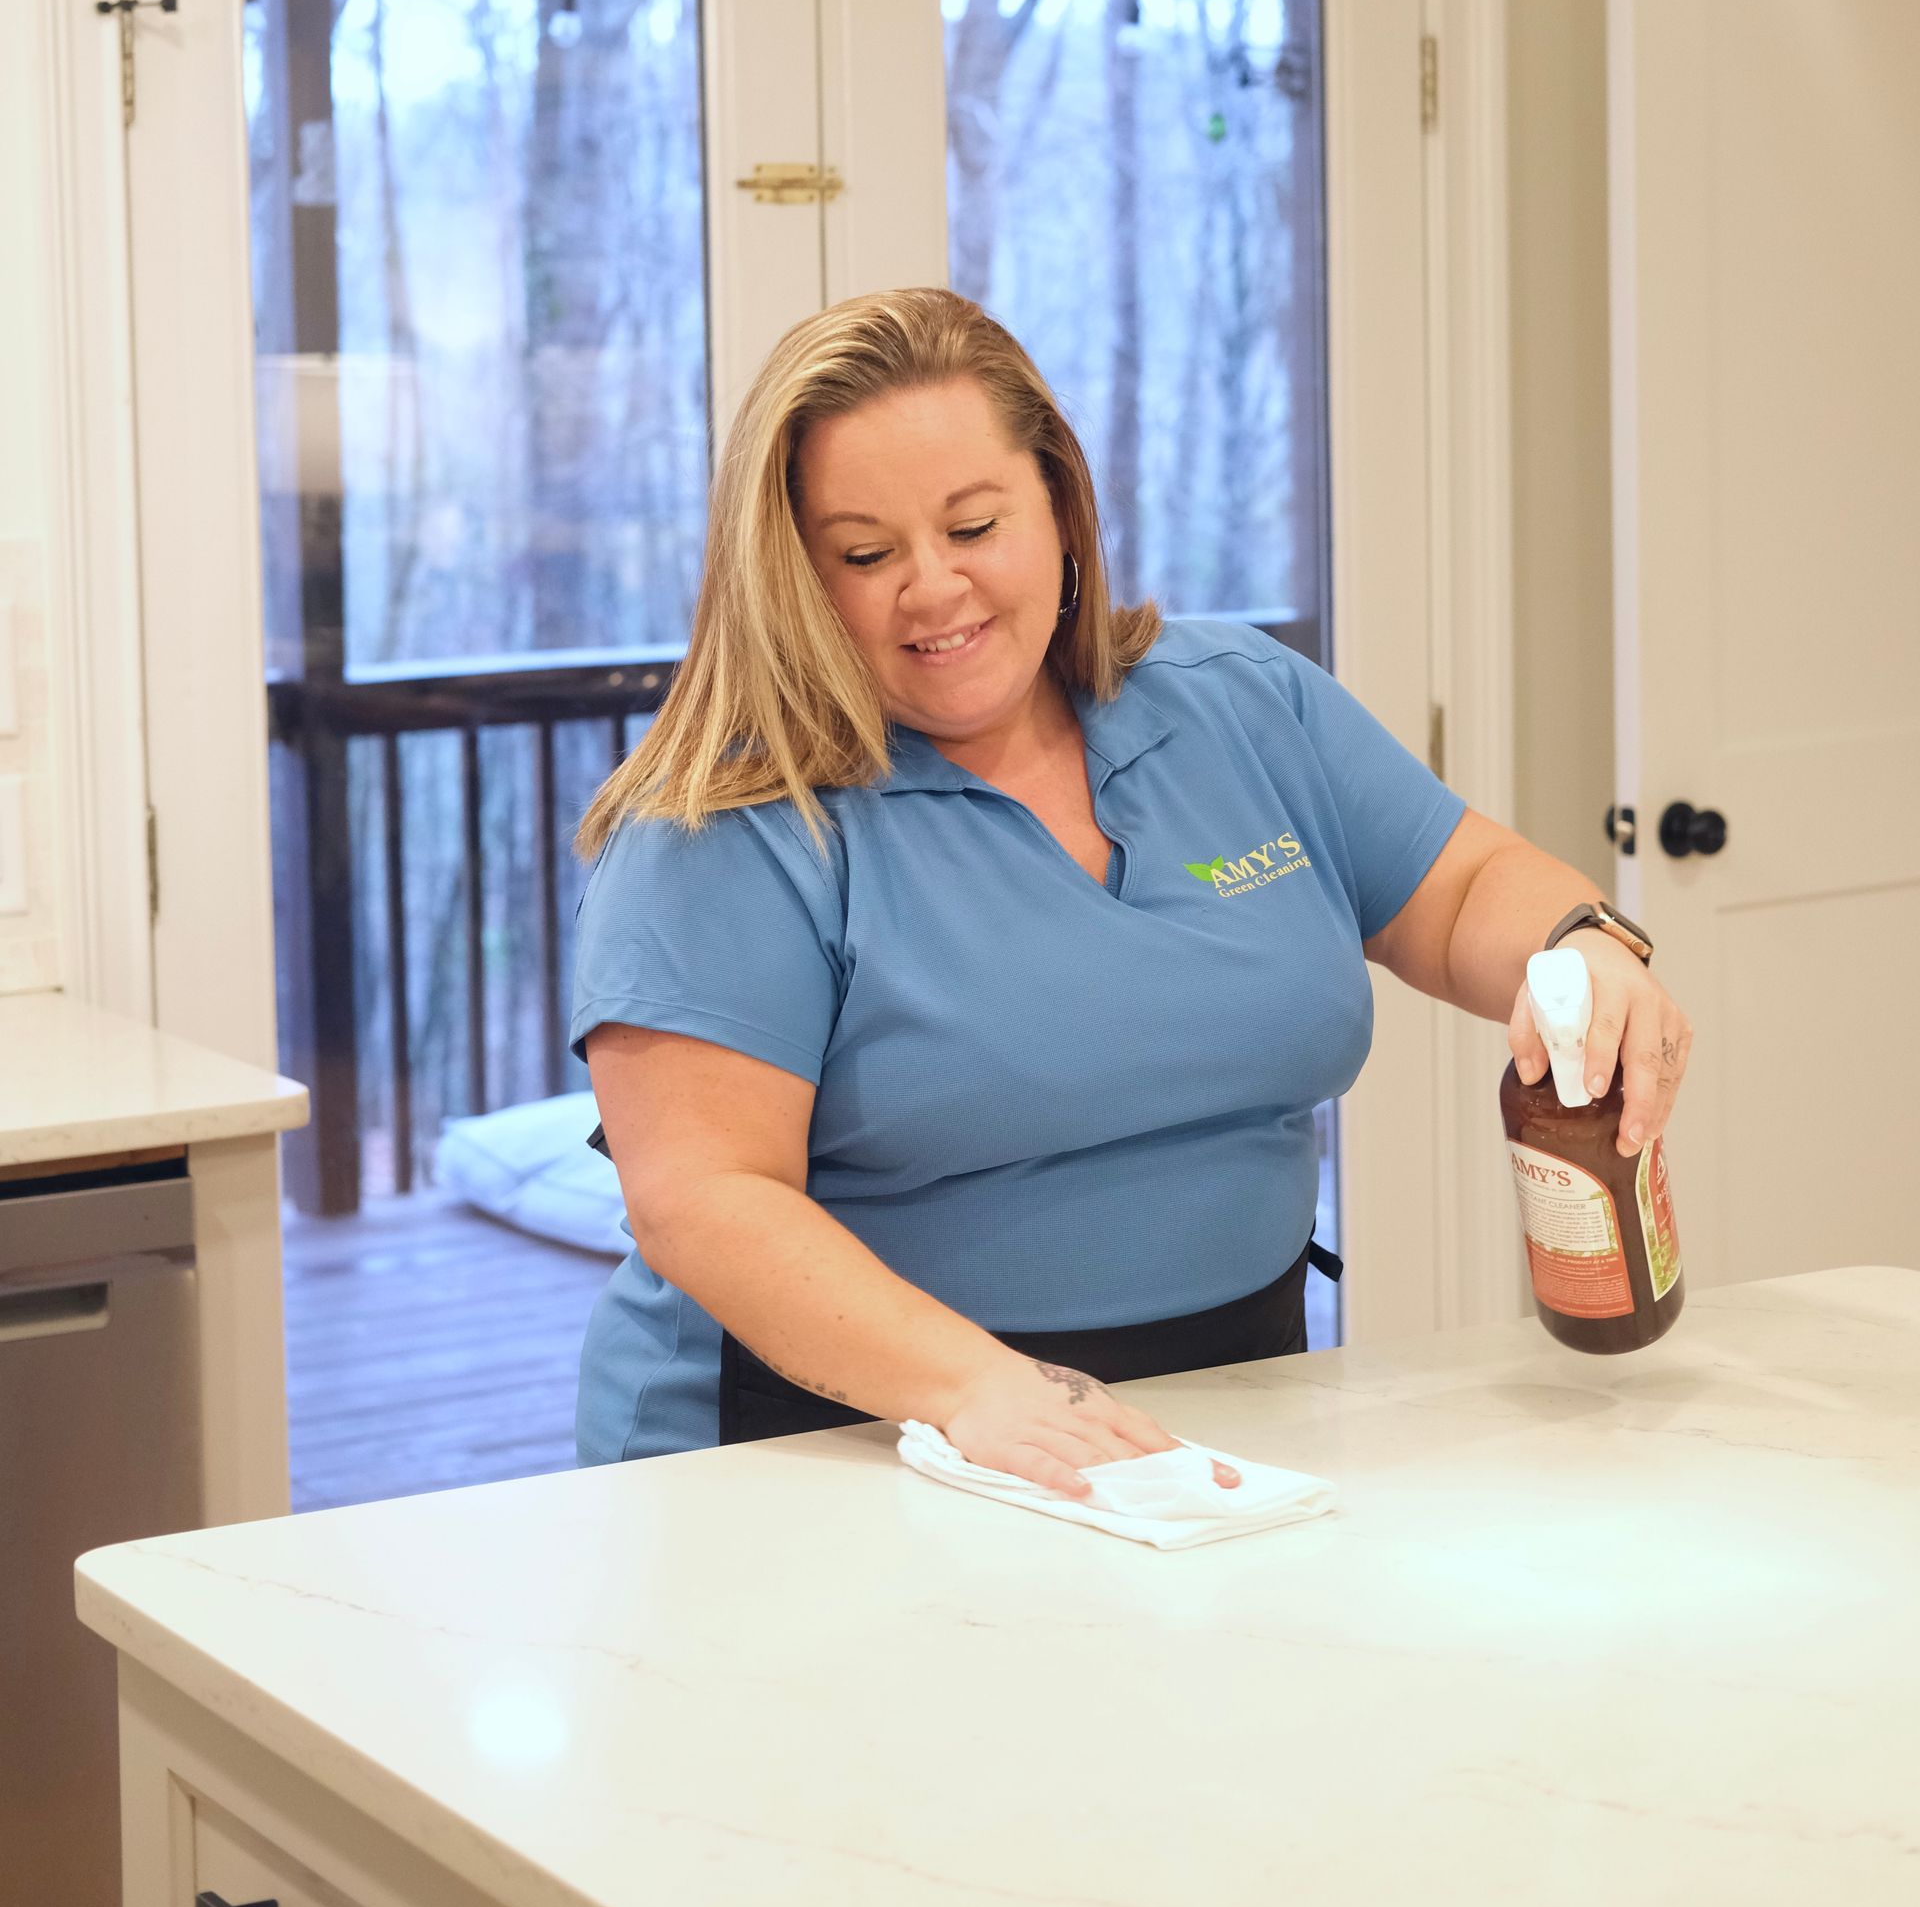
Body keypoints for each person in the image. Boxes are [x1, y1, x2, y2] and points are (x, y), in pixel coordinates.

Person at [572, 289, 1690, 1500]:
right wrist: (974, 1387)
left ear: (1059, 507)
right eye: (865, 553)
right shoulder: (727, 826)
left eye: (974, 525)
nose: (933, 587)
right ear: (793, 574)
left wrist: (1582, 950)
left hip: (1227, 1402)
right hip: (825, 1438)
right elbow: (705, 1199)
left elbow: (1466, 887)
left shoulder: (1241, 703)